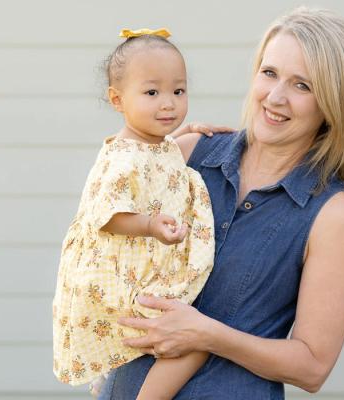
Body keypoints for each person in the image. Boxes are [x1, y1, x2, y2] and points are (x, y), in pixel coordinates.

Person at [98, 7, 344, 399]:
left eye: (303, 86)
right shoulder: (191, 152)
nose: (276, 97)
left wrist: (208, 334)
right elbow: (106, 230)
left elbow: (313, 367)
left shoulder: (333, 213)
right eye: (270, 73)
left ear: (333, 103)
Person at [52, 28, 233, 399]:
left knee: (176, 330)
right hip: (116, 274)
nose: (168, 103)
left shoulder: (156, 143)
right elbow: (106, 215)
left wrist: (187, 132)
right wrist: (149, 224)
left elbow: (160, 157)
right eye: (152, 93)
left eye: (178, 91)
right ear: (118, 100)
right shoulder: (121, 158)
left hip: (142, 268)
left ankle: (114, 370)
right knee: (182, 337)